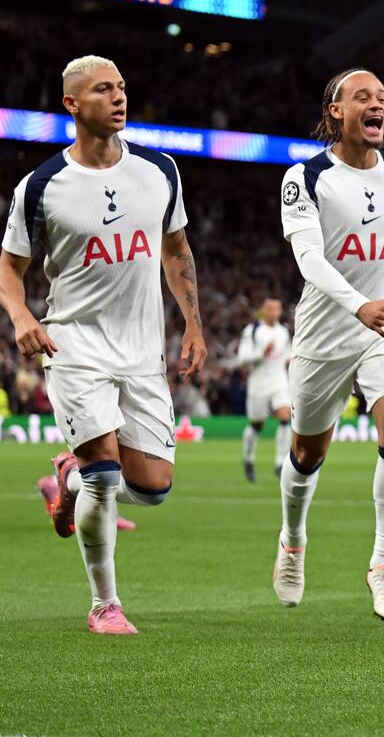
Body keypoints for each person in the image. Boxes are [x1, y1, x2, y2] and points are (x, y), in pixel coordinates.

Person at [0, 55, 207, 635]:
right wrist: (19, 314)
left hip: (143, 352)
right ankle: (104, 605)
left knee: (154, 489)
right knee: (105, 477)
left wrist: (193, 322)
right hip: (74, 346)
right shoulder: (41, 186)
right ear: (72, 104)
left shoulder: (159, 170)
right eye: (102, 90)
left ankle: (63, 475)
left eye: (121, 86)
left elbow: (177, 249)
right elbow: (10, 267)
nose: (118, 97)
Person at [274, 68, 384, 621]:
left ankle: (383, 565)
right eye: (363, 97)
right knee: (309, 453)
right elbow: (308, 258)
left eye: (383, 97)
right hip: (325, 331)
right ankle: (292, 541)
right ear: (336, 111)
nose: (377, 104)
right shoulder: (305, 177)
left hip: (383, 324)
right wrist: (358, 302)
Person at [236, 297, 292, 481]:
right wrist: (262, 353)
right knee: (256, 425)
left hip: (279, 381)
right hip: (258, 383)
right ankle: (248, 459)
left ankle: (280, 462)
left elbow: (287, 356)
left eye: (277, 308)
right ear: (263, 310)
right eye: (269, 308)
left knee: (285, 417)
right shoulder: (252, 331)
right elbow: (242, 358)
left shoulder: (283, 332)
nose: (273, 312)